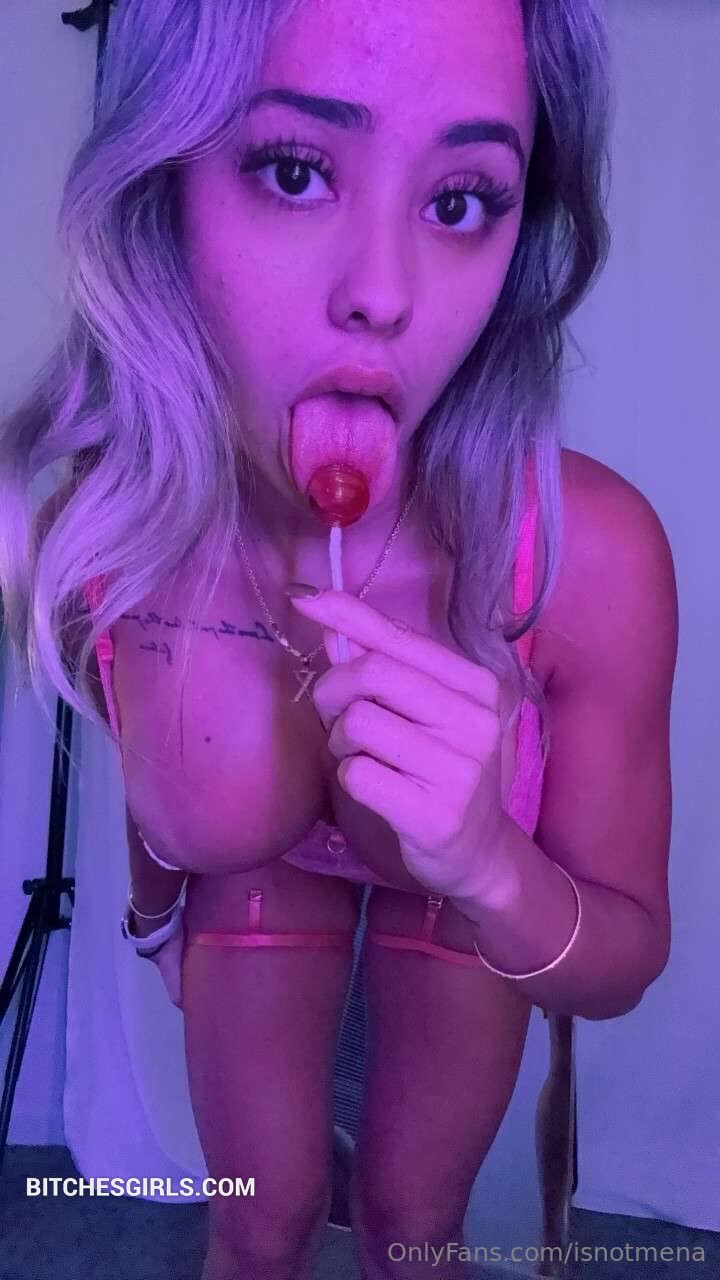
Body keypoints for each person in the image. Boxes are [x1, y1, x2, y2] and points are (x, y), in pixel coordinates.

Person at [0, 2, 678, 1278]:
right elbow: (146, 776)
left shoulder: (585, 558)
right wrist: (155, 924)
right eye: (295, 171)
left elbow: (624, 961)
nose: (384, 294)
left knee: (413, 1227)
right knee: (255, 1218)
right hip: (251, 891)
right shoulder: (107, 535)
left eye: (462, 199)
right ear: (160, 191)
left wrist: (488, 860)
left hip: (466, 916)